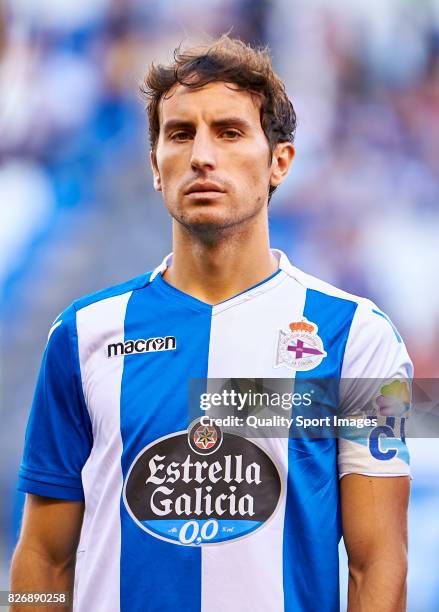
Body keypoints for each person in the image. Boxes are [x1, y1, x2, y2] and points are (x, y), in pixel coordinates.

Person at [11, 35, 412, 612]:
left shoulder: (362, 338)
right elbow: (41, 559)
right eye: (180, 134)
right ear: (154, 165)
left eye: (228, 132)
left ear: (280, 161)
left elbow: (380, 563)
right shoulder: (80, 337)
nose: (202, 155)